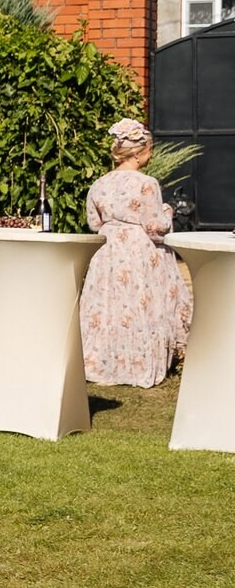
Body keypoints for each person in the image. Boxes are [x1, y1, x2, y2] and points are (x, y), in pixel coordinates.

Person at [81, 117, 192, 388]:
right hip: (138, 251)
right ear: (140, 153)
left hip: (106, 251)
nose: (151, 155)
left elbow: (94, 223)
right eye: (149, 150)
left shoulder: (100, 184)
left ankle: (100, 361)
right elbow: (156, 228)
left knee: (108, 305)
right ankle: (138, 363)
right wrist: (168, 211)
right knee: (139, 304)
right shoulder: (146, 184)